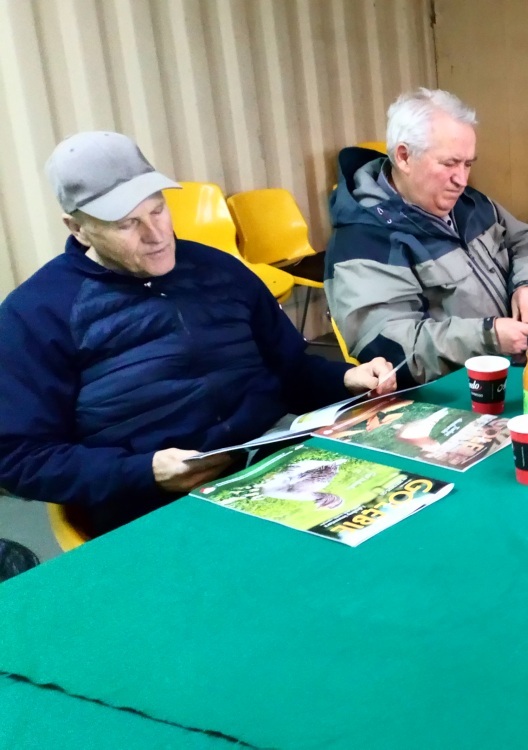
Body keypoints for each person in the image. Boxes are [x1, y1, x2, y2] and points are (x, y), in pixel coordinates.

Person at [0, 131, 397, 537]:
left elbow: (291, 369)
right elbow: (18, 457)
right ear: (78, 229)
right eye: (127, 224)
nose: (156, 235)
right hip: (155, 510)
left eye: (158, 210)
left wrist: (346, 378)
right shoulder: (36, 313)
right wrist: (145, 471)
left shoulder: (219, 270)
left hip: (276, 467)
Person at [324, 88, 528, 385]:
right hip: (449, 394)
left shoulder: (469, 204)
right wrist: (489, 337)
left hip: (510, 372)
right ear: (404, 157)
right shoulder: (363, 242)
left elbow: (523, 241)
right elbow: (395, 352)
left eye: (468, 164)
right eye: (449, 164)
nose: (462, 180)